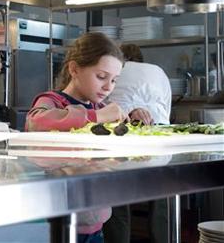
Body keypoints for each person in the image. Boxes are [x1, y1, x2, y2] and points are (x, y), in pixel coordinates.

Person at [25, 32, 150, 242]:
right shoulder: (52, 101)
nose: (108, 86)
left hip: (96, 226)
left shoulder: (100, 107)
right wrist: (96, 116)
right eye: (101, 77)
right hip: (61, 224)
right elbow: (36, 122)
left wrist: (134, 118)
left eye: (114, 80)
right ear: (74, 69)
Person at [103, 43, 171, 243]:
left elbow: (105, 107)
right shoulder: (157, 72)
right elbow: (165, 111)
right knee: (162, 200)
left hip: (120, 138)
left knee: (117, 201)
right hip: (158, 137)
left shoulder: (114, 73)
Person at [108, 44, 171, 124]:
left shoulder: (115, 69)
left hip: (121, 122)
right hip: (158, 120)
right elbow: (166, 105)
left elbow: (103, 103)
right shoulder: (158, 70)